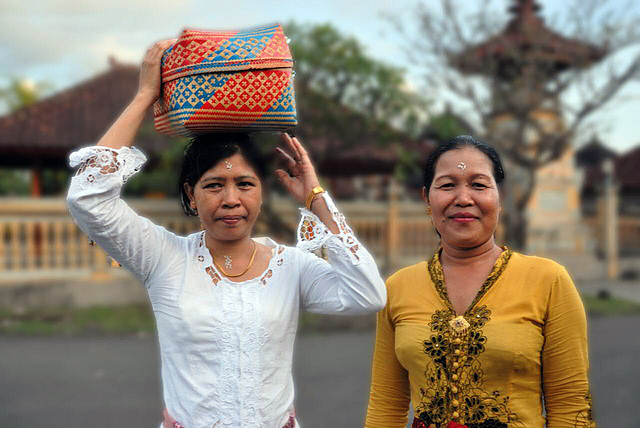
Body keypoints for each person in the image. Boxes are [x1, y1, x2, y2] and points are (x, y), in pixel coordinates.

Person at [66, 40, 386, 428]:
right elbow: (87, 198)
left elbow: (368, 295)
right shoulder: (163, 259)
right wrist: (146, 95)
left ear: (262, 191)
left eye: (245, 184)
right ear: (191, 194)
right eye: (215, 185)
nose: (231, 199)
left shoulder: (291, 267)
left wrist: (316, 198)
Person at [365, 135, 595, 427]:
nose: (463, 198)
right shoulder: (397, 287)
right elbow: (386, 405)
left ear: (501, 197)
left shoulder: (548, 281)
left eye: (479, 184)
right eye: (447, 185)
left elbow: (570, 404)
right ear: (427, 198)